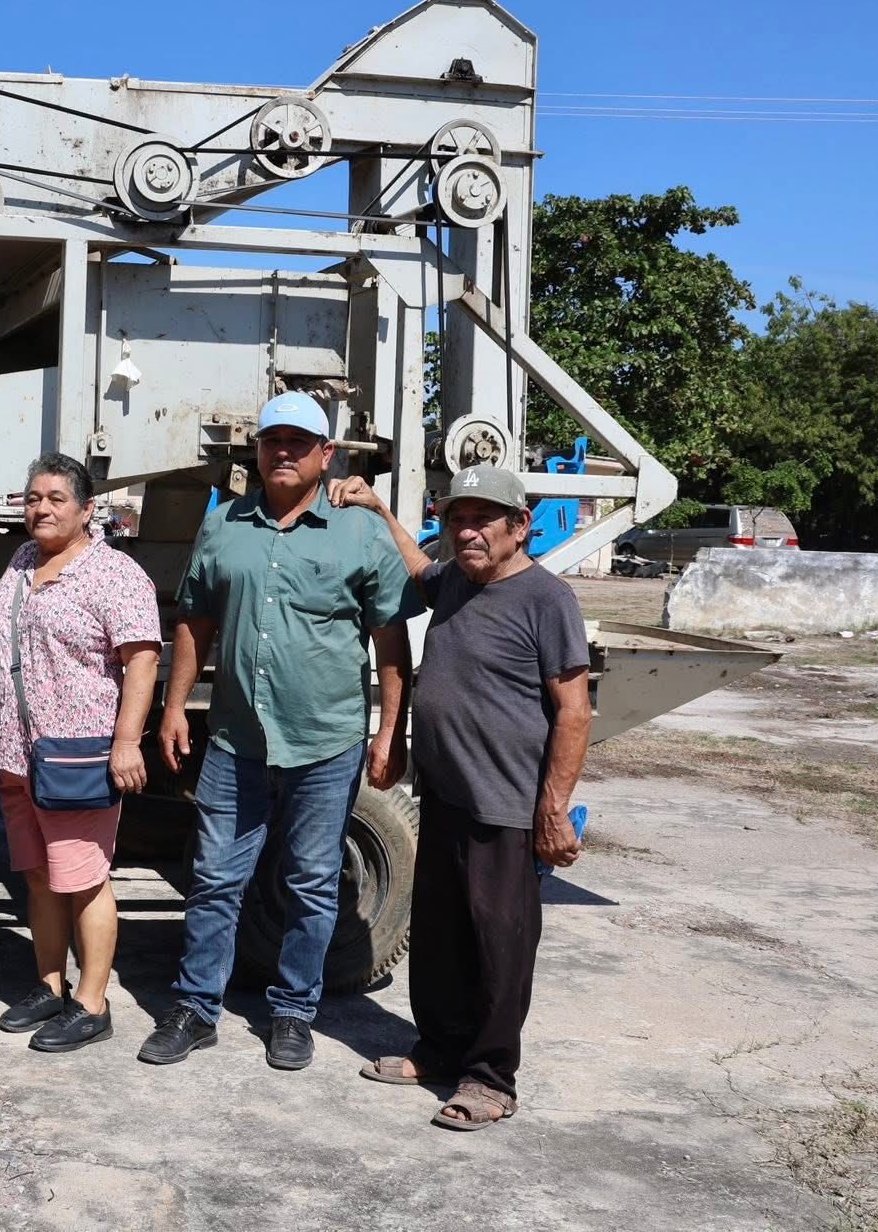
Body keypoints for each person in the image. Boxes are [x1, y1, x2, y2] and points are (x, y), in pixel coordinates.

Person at [138, 391, 412, 1072]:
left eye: (299, 442)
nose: (283, 452)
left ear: (327, 455)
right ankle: (196, 1008)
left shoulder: (360, 532)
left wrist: (390, 732)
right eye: (272, 442)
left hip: (328, 741)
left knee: (312, 881)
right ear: (255, 452)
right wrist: (174, 706)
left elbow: (391, 642)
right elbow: (194, 622)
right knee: (212, 879)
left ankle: (293, 1013)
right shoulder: (225, 525)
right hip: (237, 741)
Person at [331, 463, 591, 1130]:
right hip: (444, 793)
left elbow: (574, 712)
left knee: (497, 944)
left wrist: (554, 807)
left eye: (483, 519)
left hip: (505, 803)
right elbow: (418, 567)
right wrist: (378, 507)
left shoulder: (546, 599)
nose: (467, 531)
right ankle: (441, 1047)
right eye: (457, 519)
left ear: (519, 527)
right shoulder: (455, 582)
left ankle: (490, 1076)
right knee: (442, 935)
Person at [0, 453, 161, 1052]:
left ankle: (92, 1001)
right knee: (38, 875)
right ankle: (49, 984)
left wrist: (127, 741)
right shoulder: (23, 561)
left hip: (77, 752)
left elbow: (142, 658)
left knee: (84, 878)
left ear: (87, 510)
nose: (42, 508)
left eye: (57, 498)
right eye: (34, 497)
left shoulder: (113, 574)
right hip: (16, 751)